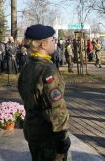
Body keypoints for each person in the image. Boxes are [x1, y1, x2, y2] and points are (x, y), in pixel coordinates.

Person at [18, 24, 70, 161]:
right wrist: (62, 138)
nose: (55, 42)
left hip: (32, 130)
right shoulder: (47, 70)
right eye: (53, 40)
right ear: (44, 45)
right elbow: (55, 108)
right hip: (49, 136)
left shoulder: (28, 65)